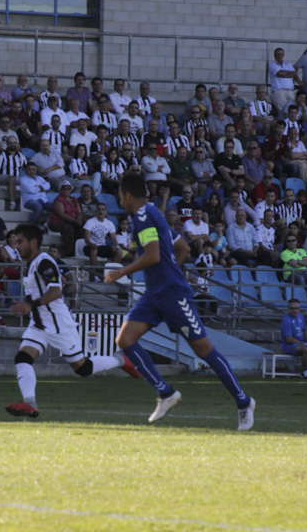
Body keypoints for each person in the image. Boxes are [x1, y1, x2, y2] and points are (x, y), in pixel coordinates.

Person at [104, 172, 255, 429]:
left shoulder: (142, 216)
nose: (120, 203)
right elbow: (183, 249)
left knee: (203, 350)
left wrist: (120, 271)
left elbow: (152, 256)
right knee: (124, 340)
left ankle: (244, 402)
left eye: (120, 198)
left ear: (128, 196)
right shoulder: (154, 214)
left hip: (172, 294)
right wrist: (169, 271)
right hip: (155, 294)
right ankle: (165, 392)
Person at [4, 223, 140, 417]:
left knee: (82, 368)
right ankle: (30, 403)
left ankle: (120, 359)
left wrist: (29, 305)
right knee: (22, 358)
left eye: (20, 242)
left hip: (58, 324)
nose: (16, 246)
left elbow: (56, 291)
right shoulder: (32, 263)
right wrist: (27, 305)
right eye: (15, 242)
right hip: (39, 324)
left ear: (33, 242)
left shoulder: (44, 262)